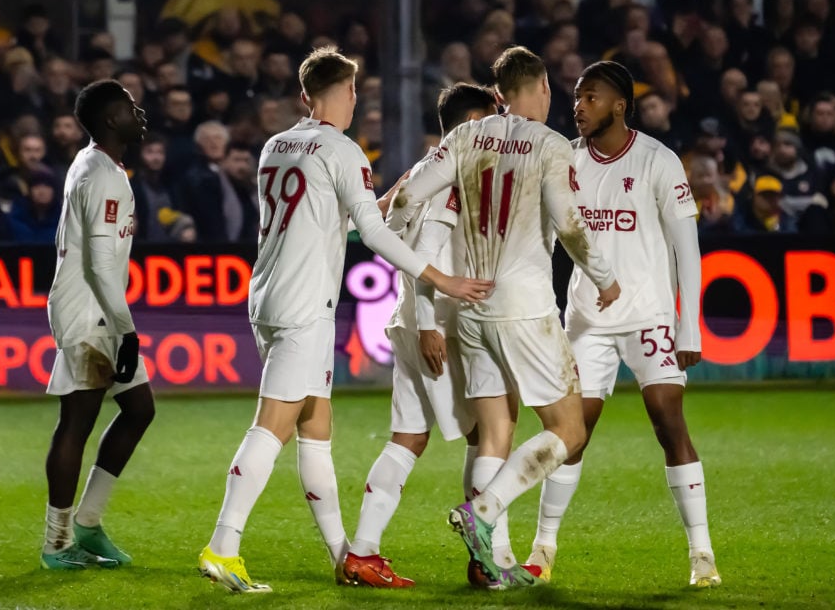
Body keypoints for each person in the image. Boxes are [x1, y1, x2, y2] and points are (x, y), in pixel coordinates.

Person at [198, 47, 493, 594]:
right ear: (348, 92)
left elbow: (332, 221)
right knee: (273, 425)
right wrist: (443, 279)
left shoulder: (275, 145)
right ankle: (224, 545)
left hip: (266, 293)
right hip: (306, 304)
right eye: (357, 90)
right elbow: (375, 238)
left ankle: (346, 556)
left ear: (305, 94)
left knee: (316, 431)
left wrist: (379, 201)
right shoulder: (343, 150)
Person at [385, 46, 620, 589]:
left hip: (469, 306)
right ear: (540, 89)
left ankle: (492, 566)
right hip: (523, 306)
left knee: (494, 433)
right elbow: (569, 224)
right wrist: (605, 278)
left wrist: (404, 251)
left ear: (497, 95)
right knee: (570, 429)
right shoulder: (551, 144)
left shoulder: (465, 137)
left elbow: (406, 198)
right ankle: (484, 511)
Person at [523, 60, 720, 589]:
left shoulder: (659, 160)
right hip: (587, 318)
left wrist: (689, 327)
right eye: (576, 97)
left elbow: (687, 249)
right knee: (570, 434)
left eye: (590, 97)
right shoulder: (565, 159)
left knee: (667, 420)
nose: (578, 105)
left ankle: (701, 553)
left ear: (618, 104)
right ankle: (543, 547)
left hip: (649, 315)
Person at [343, 83, 499, 589]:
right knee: (487, 434)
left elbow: (387, 225)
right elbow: (427, 251)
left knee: (409, 437)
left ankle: (362, 552)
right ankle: (485, 558)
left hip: (407, 318)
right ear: (465, 125)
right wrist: (432, 324)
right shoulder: (451, 177)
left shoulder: (418, 171)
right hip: (437, 325)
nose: (494, 130)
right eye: (486, 120)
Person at [41, 79, 155, 569]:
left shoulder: (98, 165)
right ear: (111, 119)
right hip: (88, 308)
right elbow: (102, 266)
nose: (140, 113)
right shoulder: (102, 176)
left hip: (98, 305)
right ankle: (57, 542)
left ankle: (87, 523)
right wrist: (127, 330)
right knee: (78, 420)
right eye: (130, 107)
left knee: (138, 409)